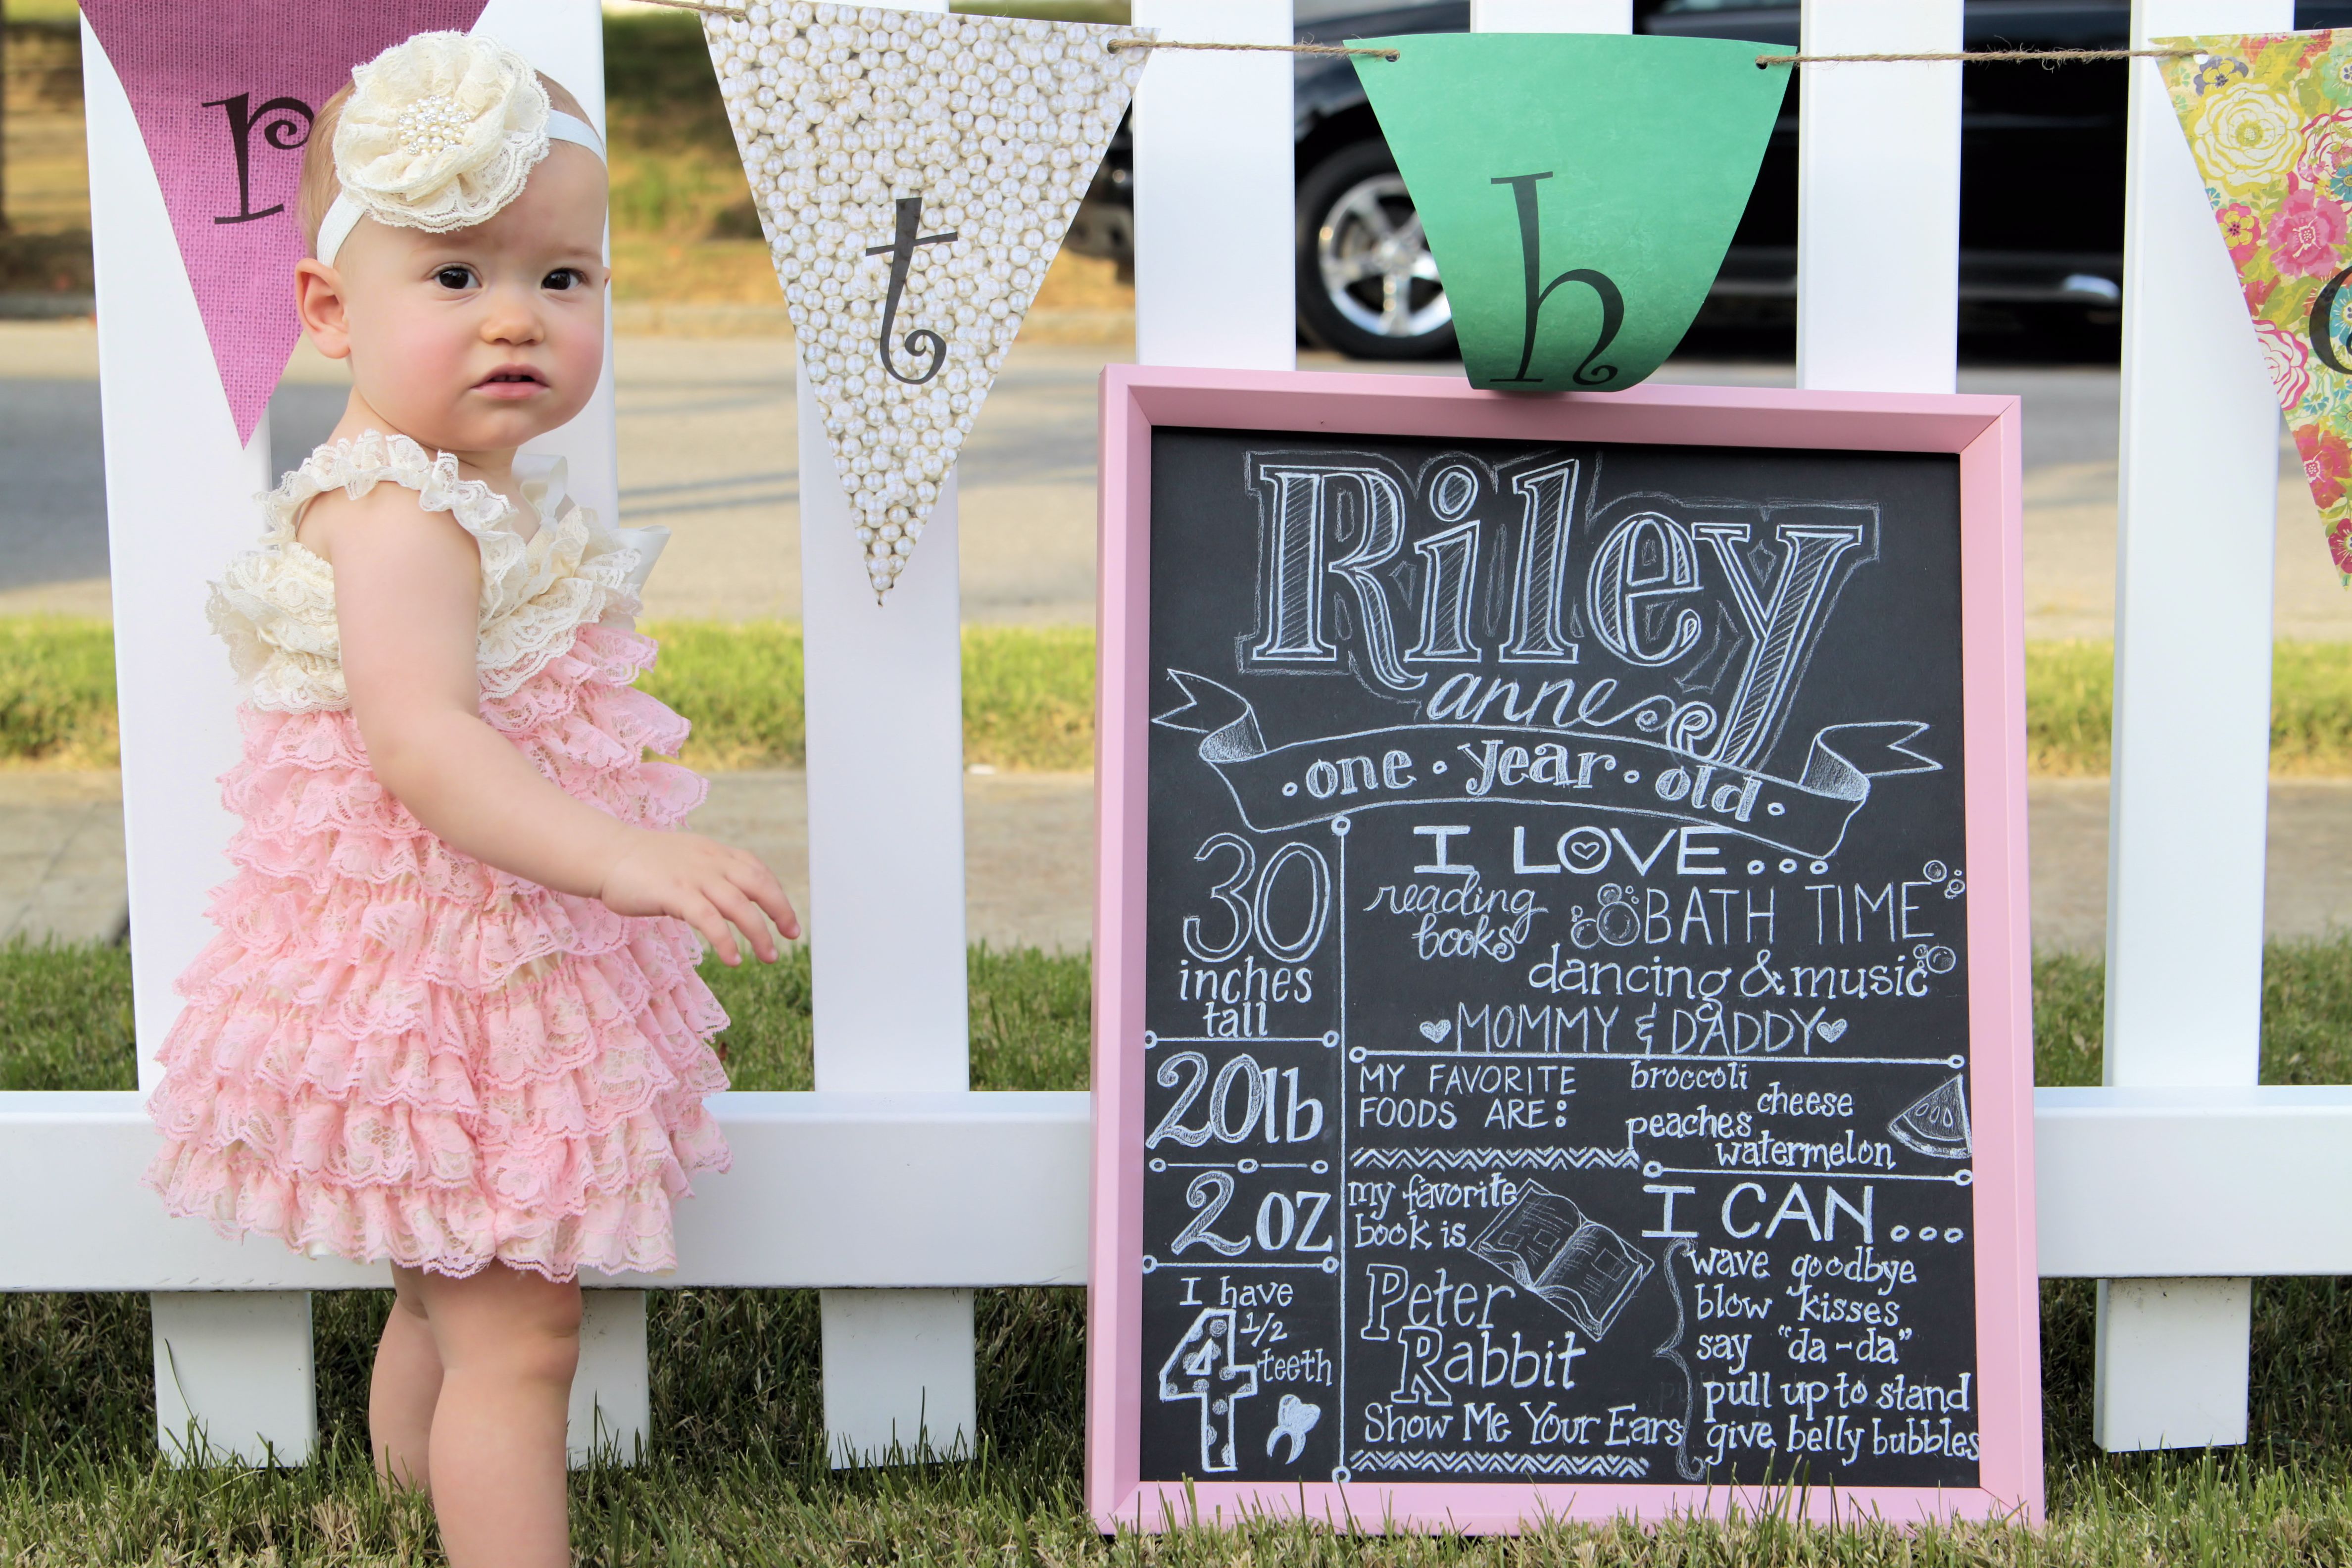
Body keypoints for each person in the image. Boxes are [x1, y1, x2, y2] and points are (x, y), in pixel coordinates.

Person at [138, 32, 798, 1568]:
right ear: (326, 309)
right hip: (455, 965)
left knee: (447, 1287)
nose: (518, 318)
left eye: (564, 280)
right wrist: (623, 854)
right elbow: (423, 740)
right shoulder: (401, 514)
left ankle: (398, 1516)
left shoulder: (456, 487)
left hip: (467, 957)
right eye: (454, 279)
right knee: (525, 1336)